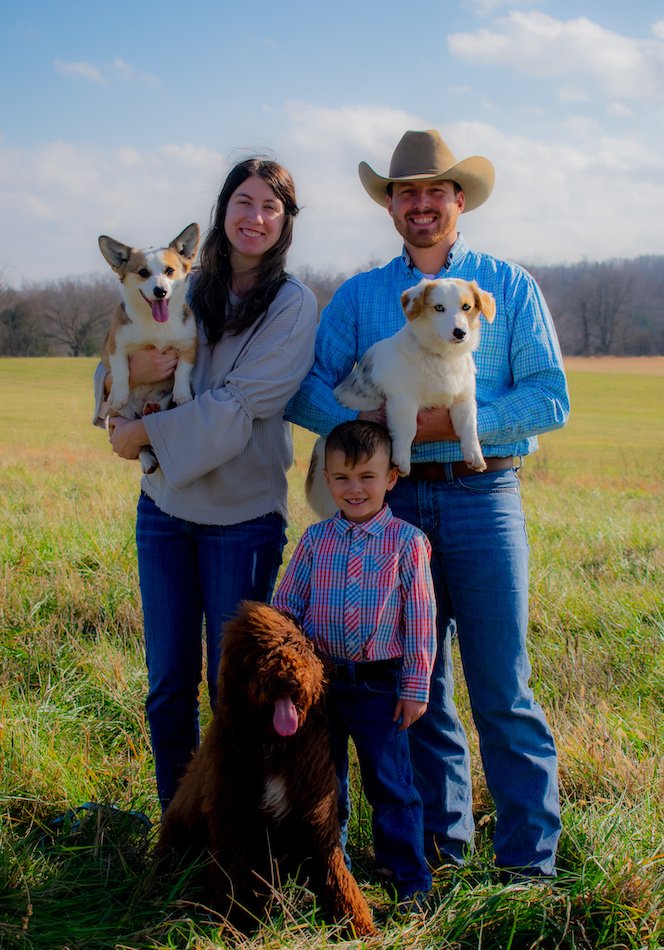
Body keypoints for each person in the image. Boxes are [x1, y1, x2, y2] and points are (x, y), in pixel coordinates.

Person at [286, 129, 570, 880]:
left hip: (483, 495)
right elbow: (313, 388)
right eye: (405, 192)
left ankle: (529, 868)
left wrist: (442, 425)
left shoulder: (506, 286)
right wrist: (373, 428)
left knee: (503, 687)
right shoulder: (361, 296)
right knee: (421, 689)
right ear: (390, 206)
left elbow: (551, 396)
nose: (420, 203)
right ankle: (439, 858)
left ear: (458, 199)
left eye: (434, 191)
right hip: (392, 507)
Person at [93, 157, 318, 810]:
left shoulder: (292, 305)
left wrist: (144, 437)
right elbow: (117, 350)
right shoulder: (179, 280)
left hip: (242, 518)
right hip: (164, 508)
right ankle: (181, 829)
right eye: (243, 202)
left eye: (270, 208)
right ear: (224, 209)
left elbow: (239, 409)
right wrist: (116, 390)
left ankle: (237, 837)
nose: (255, 217)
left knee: (235, 689)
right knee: (167, 686)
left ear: (285, 223)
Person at [272, 420, 437, 904]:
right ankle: (332, 879)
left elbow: (421, 621)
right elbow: (286, 610)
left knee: (390, 786)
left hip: (380, 688)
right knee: (327, 787)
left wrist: (414, 687)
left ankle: (408, 882)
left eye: (367, 476)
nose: (355, 488)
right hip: (320, 688)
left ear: (390, 478)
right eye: (342, 477)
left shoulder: (407, 543)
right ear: (326, 480)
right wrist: (286, 673)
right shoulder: (315, 541)